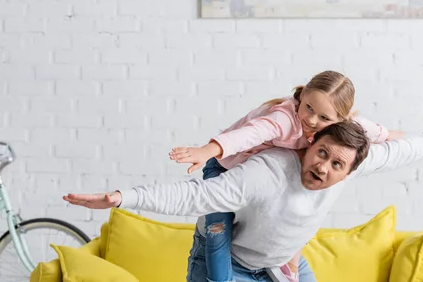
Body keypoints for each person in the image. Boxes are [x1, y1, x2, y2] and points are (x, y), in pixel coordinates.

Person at [63, 114, 423, 282]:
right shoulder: (266, 172)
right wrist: (121, 197)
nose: (324, 169)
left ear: (351, 169)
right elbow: (193, 197)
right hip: (232, 264)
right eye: (321, 154)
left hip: (282, 264)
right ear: (309, 143)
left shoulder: (354, 163)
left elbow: (403, 151)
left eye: (338, 165)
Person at [169, 70, 404, 281]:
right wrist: (207, 150)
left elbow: (373, 131)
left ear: (340, 121)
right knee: (219, 228)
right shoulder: (284, 119)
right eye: (309, 107)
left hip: (252, 178)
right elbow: (248, 135)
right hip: (222, 164)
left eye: (324, 118)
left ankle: (284, 265)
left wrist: (396, 136)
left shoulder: (342, 128)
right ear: (302, 95)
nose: (311, 120)